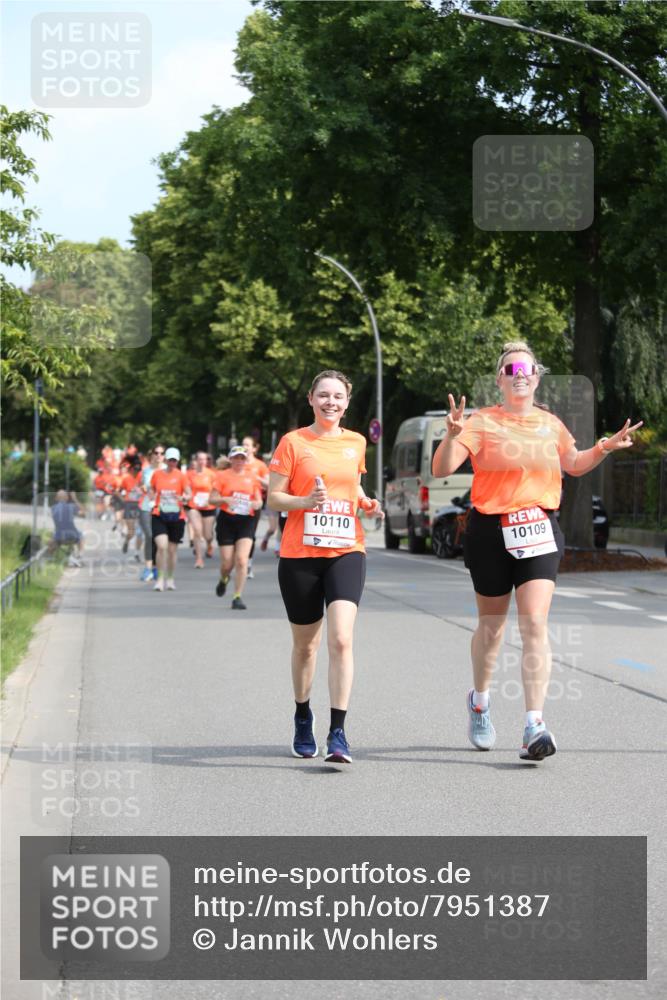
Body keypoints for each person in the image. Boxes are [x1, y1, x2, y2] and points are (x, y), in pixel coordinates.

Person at [432, 340, 643, 761]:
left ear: (536, 376)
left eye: (526, 368)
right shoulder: (481, 421)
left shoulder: (550, 423)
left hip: (538, 529)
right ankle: (479, 701)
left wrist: (604, 446)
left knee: (534, 623)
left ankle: (534, 724)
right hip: (489, 530)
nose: (520, 374)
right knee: (491, 630)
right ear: (500, 381)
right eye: (511, 369)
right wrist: (450, 436)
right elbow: (441, 470)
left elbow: (574, 462)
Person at [267, 370, 383, 765]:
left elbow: (351, 486)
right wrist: (304, 503)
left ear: (347, 402)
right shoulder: (293, 442)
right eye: (323, 396)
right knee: (306, 645)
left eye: (338, 396)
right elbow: (273, 499)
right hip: (300, 555)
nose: (331, 402)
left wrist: (366, 502)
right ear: (311, 400)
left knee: (342, 639)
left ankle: (338, 732)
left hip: (347, 549)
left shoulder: (355, 442)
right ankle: (303, 715)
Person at [209, 446, 263, 609]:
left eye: (242, 458)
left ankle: (237, 596)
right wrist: (225, 499)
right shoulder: (222, 476)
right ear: (231, 459)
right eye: (236, 458)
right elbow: (212, 499)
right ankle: (224, 578)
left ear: (246, 460)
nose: (239, 461)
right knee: (227, 563)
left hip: (246, 520)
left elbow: (259, 501)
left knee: (241, 559)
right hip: (227, 520)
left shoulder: (252, 477)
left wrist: (256, 504)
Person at [150, 446, 191, 591]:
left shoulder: (181, 476)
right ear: (165, 459)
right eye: (170, 459)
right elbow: (151, 489)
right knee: (162, 547)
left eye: (175, 460)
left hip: (176, 516)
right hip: (159, 514)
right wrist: (151, 498)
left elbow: (188, 493)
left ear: (178, 461)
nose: (172, 462)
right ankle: (160, 579)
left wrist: (185, 497)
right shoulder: (157, 474)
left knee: (172, 550)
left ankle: (170, 578)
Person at [242, 436, 270, 579]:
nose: (245, 447)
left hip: (254, 504)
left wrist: (256, 478)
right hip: (236, 505)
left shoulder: (260, 465)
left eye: (248, 445)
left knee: (250, 535)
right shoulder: (236, 463)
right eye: (243, 444)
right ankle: (239, 561)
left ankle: (248, 564)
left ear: (254, 448)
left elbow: (268, 485)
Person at [138, 445, 165, 581]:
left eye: (161, 453)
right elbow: (140, 486)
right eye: (156, 453)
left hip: (162, 508)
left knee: (158, 538)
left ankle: (155, 566)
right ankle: (148, 568)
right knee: (149, 535)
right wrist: (143, 488)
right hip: (146, 507)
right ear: (152, 455)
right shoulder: (146, 471)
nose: (159, 455)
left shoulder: (168, 471)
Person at [185, 451, 216, 568]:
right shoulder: (189, 474)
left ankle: (209, 544)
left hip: (208, 506)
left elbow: (216, 489)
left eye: (205, 459)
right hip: (194, 506)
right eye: (200, 459)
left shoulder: (212, 474)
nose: (203, 462)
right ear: (196, 460)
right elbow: (186, 488)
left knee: (208, 535)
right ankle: (199, 559)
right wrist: (187, 496)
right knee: (197, 531)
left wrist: (213, 498)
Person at [49, 490, 84, 566]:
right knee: (81, 535)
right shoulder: (71, 507)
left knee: (52, 538)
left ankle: (50, 559)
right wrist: (75, 499)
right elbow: (83, 513)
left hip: (59, 538)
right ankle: (79, 556)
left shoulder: (53, 508)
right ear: (67, 498)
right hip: (73, 537)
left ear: (56, 498)